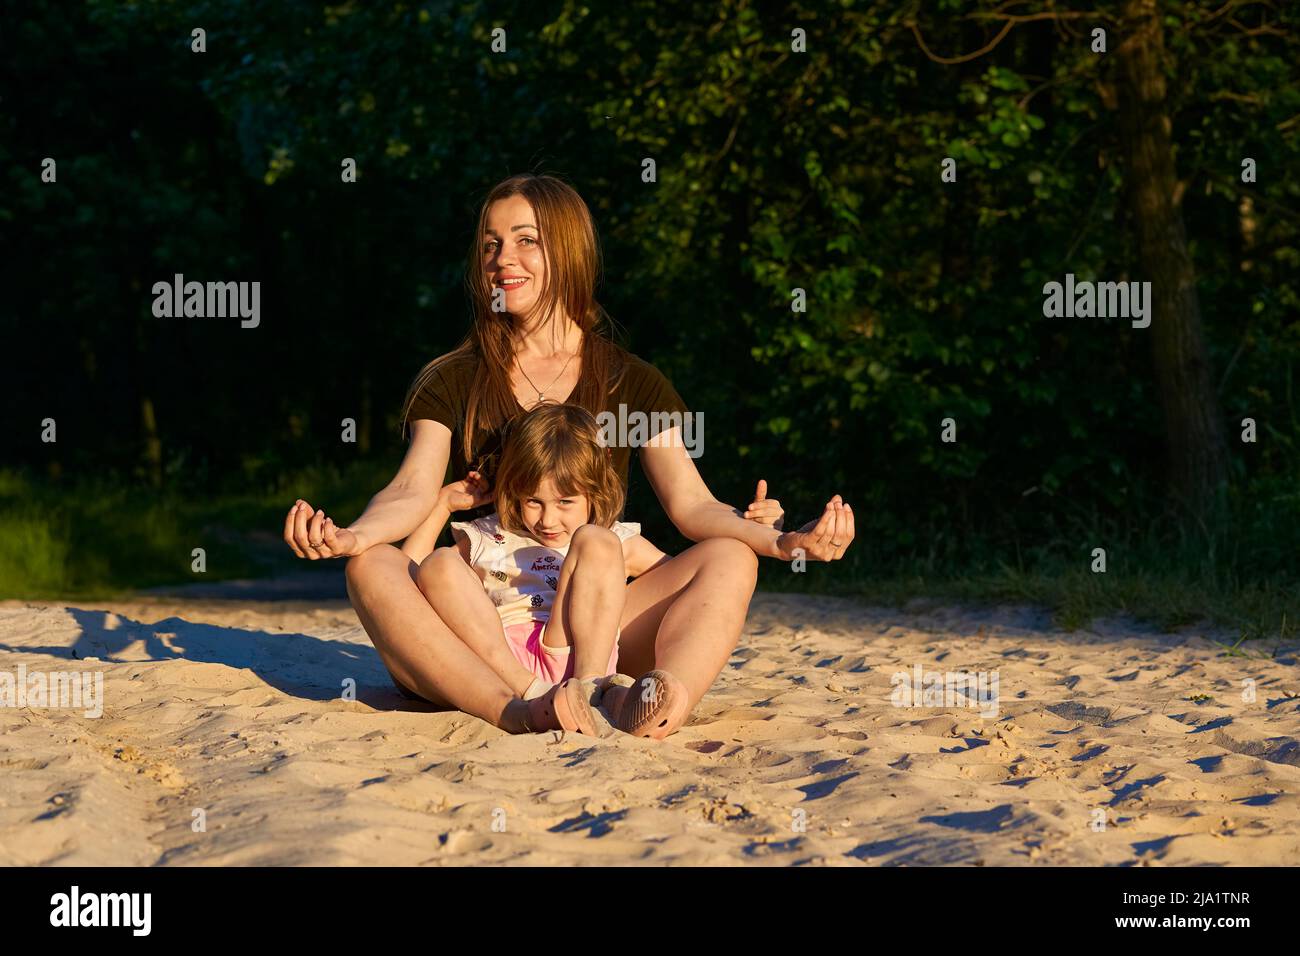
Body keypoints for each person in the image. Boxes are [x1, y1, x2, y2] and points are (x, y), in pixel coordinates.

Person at [282, 172, 855, 739]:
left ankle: (656, 705)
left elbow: (693, 506)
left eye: (526, 240)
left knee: (731, 558)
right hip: (476, 636)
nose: (503, 259)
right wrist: (355, 536)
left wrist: (784, 542)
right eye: (491, 244)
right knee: (372, 566)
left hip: (595, 631)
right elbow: (411, 490)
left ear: (569, 251)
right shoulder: (452, 379)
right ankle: (518, 710)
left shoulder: (633, 382)